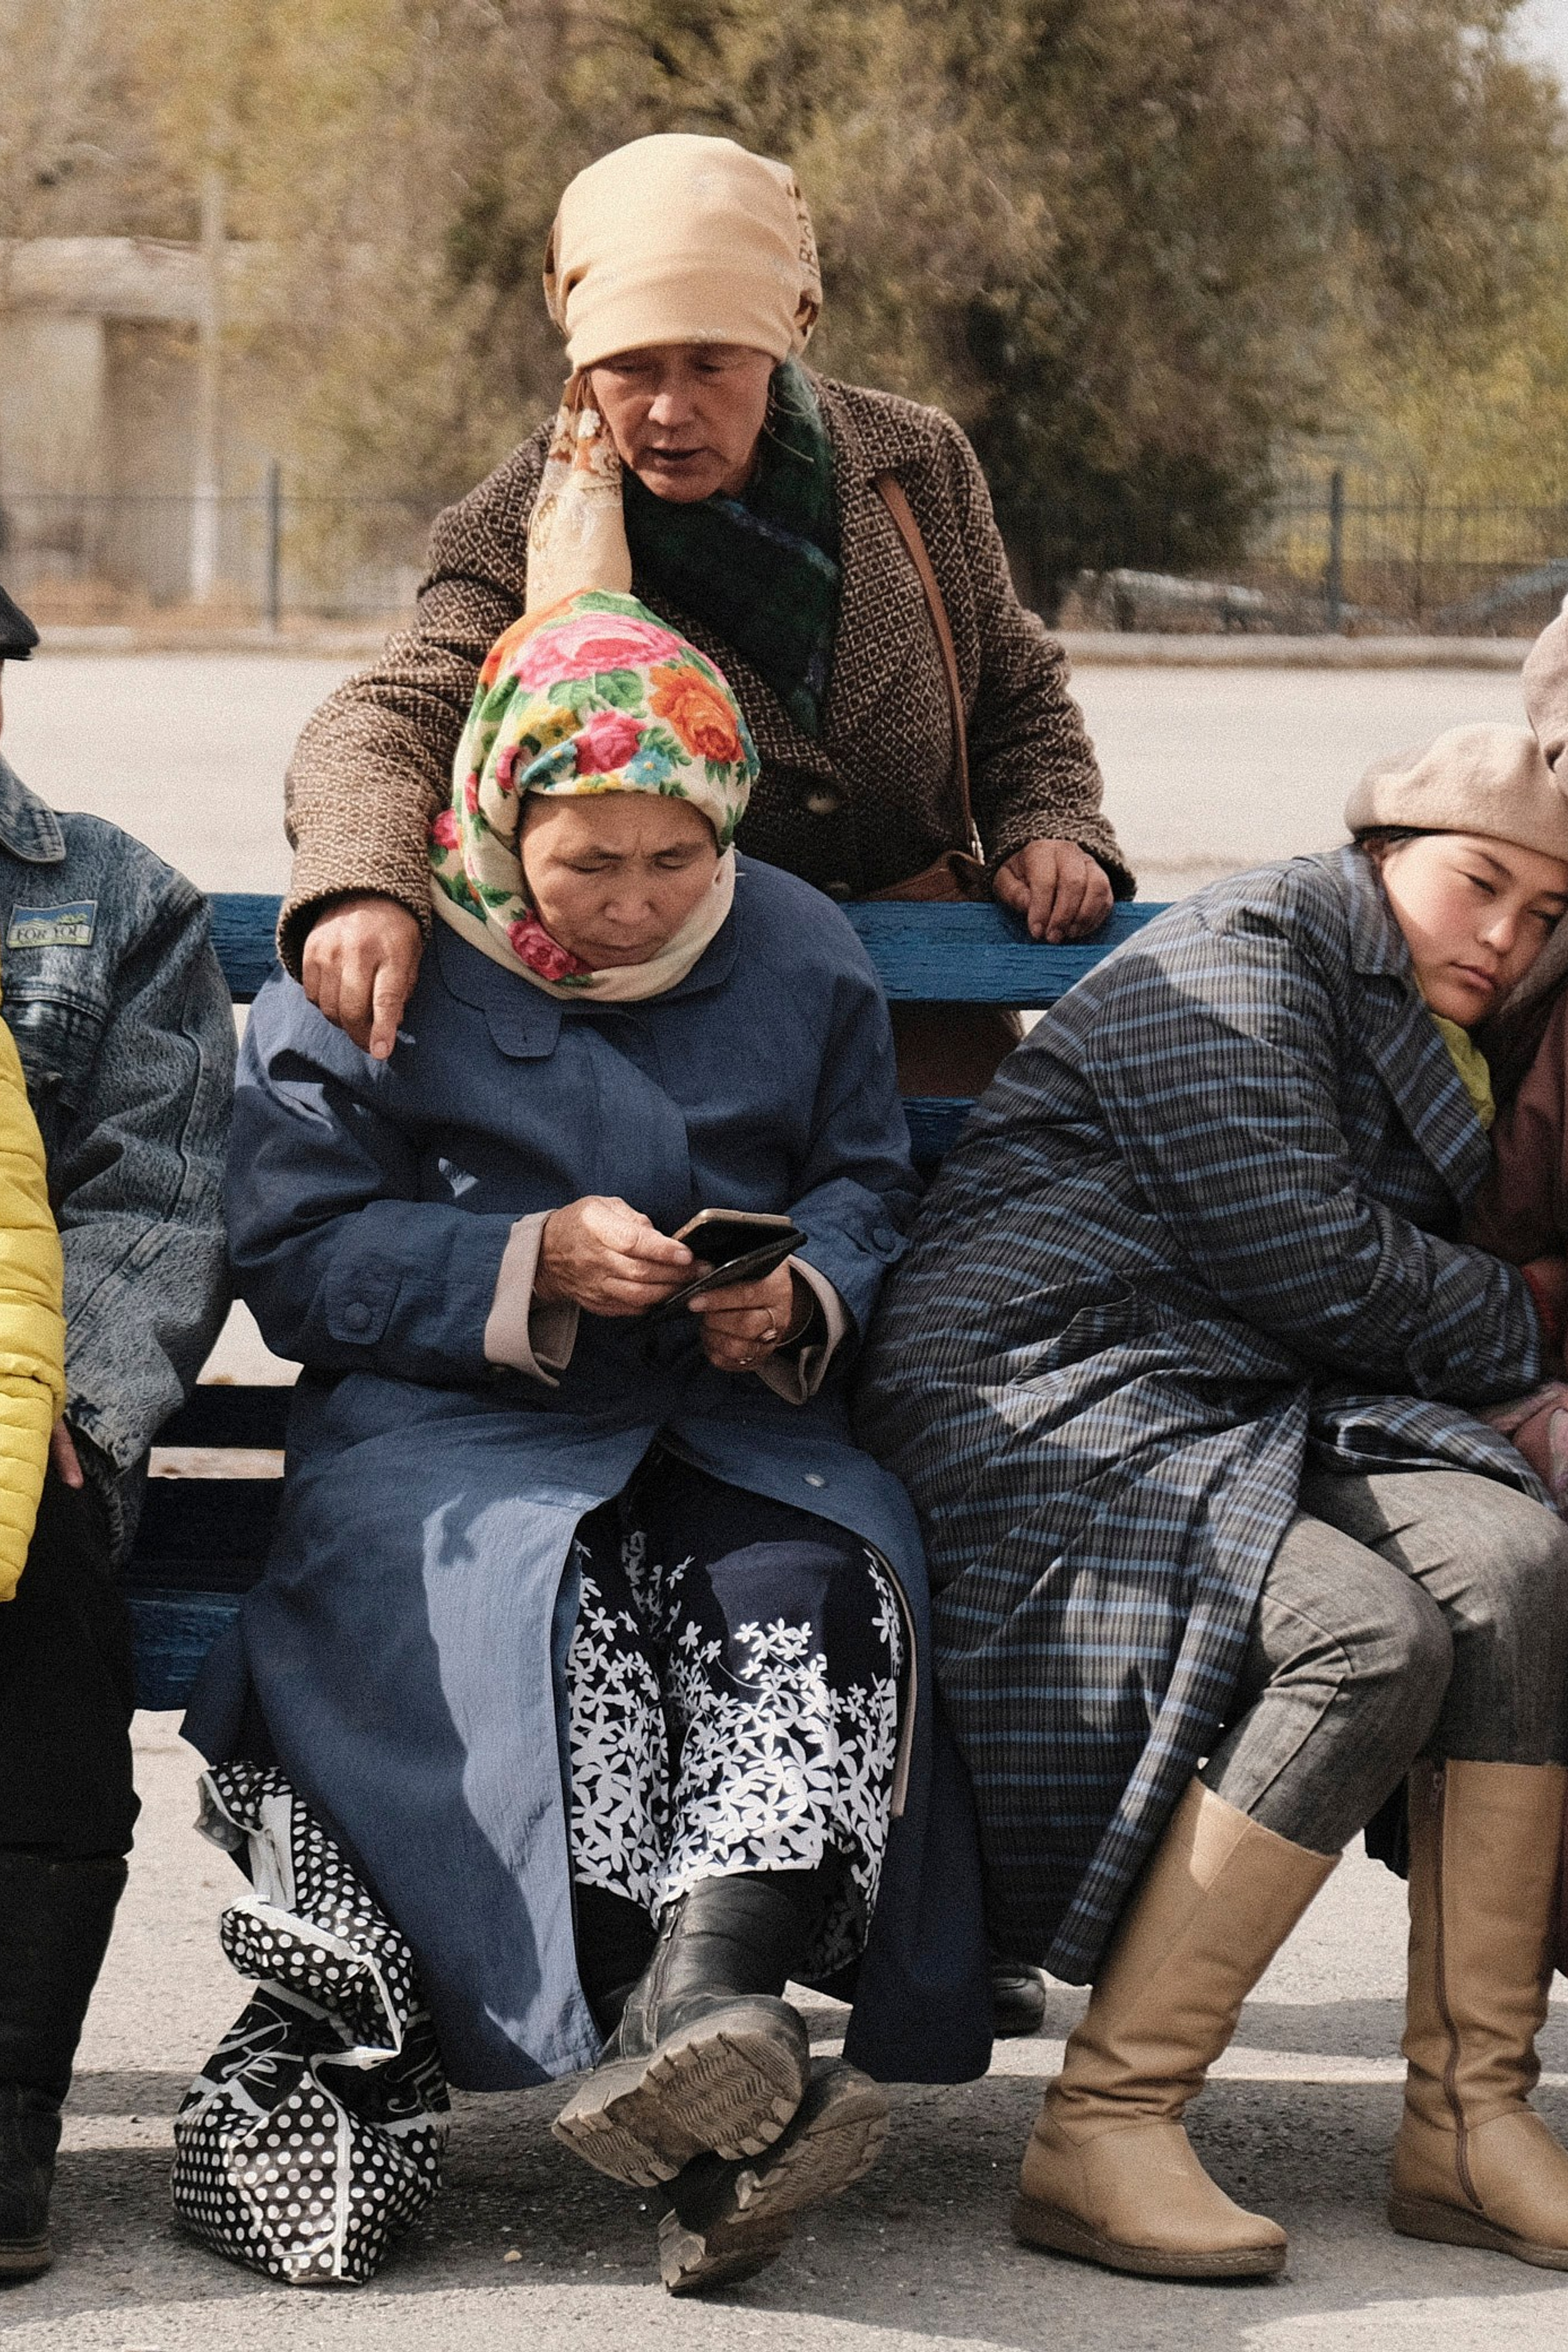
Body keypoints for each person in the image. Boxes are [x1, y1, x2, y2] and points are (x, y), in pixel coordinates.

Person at [184, 592, 989, 2296]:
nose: (632, 906)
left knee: (818, 1595)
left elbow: (863, 1181)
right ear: (496, 815)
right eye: (586, 863)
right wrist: (524, 1262)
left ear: (726, 826)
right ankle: (713, 2082)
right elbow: (296, 1253)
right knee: (559, 1638)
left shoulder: (796, 943)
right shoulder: (382, 949)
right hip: (452, 1440)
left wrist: (798, 1297)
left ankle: (703, 2021)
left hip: (727, 1421)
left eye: (674, 860)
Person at [858, 722, 1568, 2281]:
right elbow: (1311, 1256)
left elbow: (1323, 1294)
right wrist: (1531, 1313)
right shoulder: (1250, 949)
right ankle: (1106, 2123)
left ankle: (1467, 2121)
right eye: (1478, 885)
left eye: (1544, 913)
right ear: (1383, 850)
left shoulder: (1434, 1013)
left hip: (1253, 1387)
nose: (1506, 936)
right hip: (1046, 1379)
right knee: (1365, 1634)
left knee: (1513, 1562)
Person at [277, 130, 1132, 1097]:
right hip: (679, 1054)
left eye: (713, 363)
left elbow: (1015, 692)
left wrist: (1048, 825)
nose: (670, 409)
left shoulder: (914, 466)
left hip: (926, 1033)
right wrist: (361, 882)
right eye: (630, 366)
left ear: (786, 335)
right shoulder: (526, 525)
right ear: (582, 359)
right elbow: (386, 719)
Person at [0, 582, 235, 2276]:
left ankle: (6, 2117)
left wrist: (78, 1400)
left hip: (22, 1402)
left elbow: (155, 1192)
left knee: (43, 1625)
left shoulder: (105, 900)